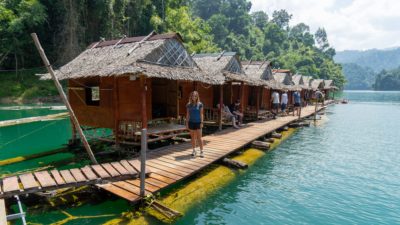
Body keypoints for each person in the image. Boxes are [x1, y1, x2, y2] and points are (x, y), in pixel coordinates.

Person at [186, 91, 204, 157]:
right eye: (193, 96)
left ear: (197, 97)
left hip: (198, 122)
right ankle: (194, 150)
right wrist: (187, 123)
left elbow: (201, 114)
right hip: (191, 122)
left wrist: (202, 122)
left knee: (199, 138)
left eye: (195, 96)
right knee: (193, 137)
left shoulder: (200, 104)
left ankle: (201, 151)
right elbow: (188, 114)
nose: (194, 97)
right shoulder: (188, 105)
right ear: (191, 96)